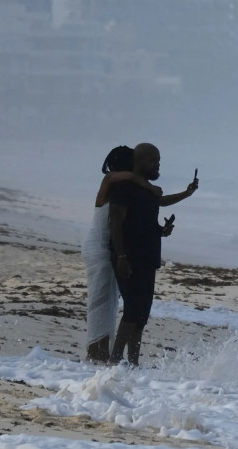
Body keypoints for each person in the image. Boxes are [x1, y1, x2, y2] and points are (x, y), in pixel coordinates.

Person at [107, 143, 198, 365]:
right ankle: (115, 359)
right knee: (132, 309)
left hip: (148, 259)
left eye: (159, 161)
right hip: (129, 258)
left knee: (142, 315)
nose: (157, 165)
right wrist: (121, 257)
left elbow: (153, 211)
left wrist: (162, 230)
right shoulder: (124, 188)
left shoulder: (148, 189)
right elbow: (115, 224)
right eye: (153, 161)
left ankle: (133, 362)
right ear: (139, 162)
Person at [82, 146, 162, 363]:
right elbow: (128, 176)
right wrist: (151, 187)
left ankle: (101, 350)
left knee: (109, 300)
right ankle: (95, 351)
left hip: (107, 246)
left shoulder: (123, 187)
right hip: (98, 246)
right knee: (100, 299)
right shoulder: (111, 181)